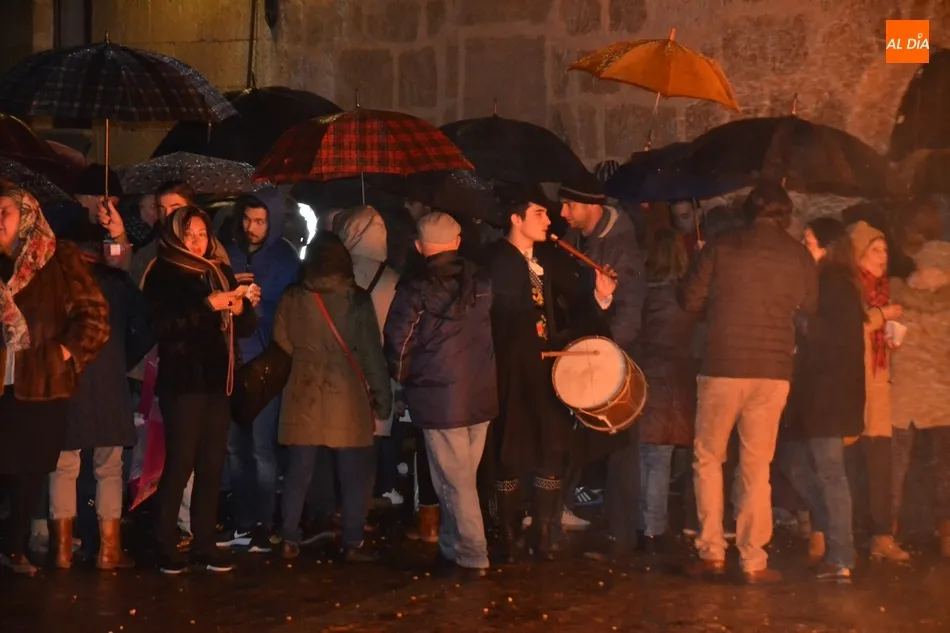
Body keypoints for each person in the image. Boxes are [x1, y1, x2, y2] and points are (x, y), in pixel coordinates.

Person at [678, 182, 817, 584]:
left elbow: (688, 300)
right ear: (785, 215)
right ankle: (754, 559)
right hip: (773, 371)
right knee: (757, 466)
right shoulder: (799, 255)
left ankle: (712, 551)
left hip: (723, 365)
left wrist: (703, 272)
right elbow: (809, 307)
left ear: (748, 210)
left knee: (709, 458)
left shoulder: (721, 246)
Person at [480, 184, 616, 561]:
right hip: (508, 374)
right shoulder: (492, 262)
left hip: (549, 371)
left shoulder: (552, 259)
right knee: (509, 451)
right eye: (539, 213)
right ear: (516, 218)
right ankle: (506, 533)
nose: (548, 221)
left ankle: (542, 530)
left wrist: (600, 296)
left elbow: (575, 310)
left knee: (552, 449)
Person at [0, 183, 110, 575]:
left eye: (5, 212)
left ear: (27, 215)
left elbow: (94, 317)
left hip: (42, 382)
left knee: (28, 470)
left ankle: (13, 548)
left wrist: (63, 353)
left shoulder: (57, 256)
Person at [143, 206, 258, 575]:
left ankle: (204, 543)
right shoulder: (164, 272)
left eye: (202, 234)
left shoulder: (218, 270)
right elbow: (163, 326)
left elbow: (245, 327)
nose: (196, 241)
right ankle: (165, 542)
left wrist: (241, 306)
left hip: (217, 380)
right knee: (181, 462)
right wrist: (207, 305)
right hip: (183, 382)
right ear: (176, 236)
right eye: (189, 234)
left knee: (212, 462)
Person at [383, 212, 497, 578]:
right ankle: (451, 548)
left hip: (439, 398)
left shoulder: (415, 287)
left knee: (455, 482)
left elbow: (398, 342)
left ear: (419, 246)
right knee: (460, 480)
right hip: (481, 393)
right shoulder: (481, 281)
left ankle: (473, 555)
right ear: (458, 242)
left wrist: (402, 380)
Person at [274, 231, 392, 563]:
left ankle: (288, 538)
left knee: (298, 473)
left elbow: (281, 342)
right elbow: (370, 354)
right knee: (353, 475)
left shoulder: (292, 297)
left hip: (303, 393)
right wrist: (382, 400)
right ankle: (352, 541)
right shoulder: (357, 300)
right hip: (347, 397)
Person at [48, 245, 153, 571]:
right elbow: (147, 326)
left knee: (63, 466)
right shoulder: (117, 283)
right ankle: (109, 551)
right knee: (109, 468)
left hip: (67, 380)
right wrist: (123, 358)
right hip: (109, 383)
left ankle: (62, 551)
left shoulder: (55, 281)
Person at [559, 180, 647, 553]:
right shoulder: (577, 238)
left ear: (590, 205)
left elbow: (629, 312)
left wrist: (604, 353)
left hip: (609, 360)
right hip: (587, 353)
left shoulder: (620, 248)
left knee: (620, 446)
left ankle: (621, 535)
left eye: (569, 205)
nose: (563, 213)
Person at [782, 217, 865, 581]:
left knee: (830, 473)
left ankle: (841, 553)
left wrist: (797, 316)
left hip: (828, 396)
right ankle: (838, 538)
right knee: (794, 460)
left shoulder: (836, 286)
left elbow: (832, 338)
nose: (804, 247)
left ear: (827, 248)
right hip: (818, 395)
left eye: (809, 241)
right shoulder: (828, 283)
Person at [217, 188, 300, 553]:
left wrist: (258, 302)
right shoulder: (228, 252)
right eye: (248, 219)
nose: (252, 227)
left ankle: (264, 525)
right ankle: (243, 521)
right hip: (231, 363)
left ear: (274, 222)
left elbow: (288, 313)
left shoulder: (285, 258)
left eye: (261, 221)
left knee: (260, 448)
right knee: (235, 448)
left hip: (264, 365)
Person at [847, 220, 910, 562]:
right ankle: (838, 535)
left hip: (878, 384)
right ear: (858, 253)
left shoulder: (884, 288)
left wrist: (892, 340)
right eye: (875, 249)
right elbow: (847, 329)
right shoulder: (847, 287)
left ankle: (881, 537)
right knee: (848, 461)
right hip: (852, 384)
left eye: (885, 249)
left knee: (879, 462)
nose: (883, 256)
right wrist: (880, 315)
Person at [633, 228, 698, 552]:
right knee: (662, 457)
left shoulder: (644, 295)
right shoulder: (689, 299)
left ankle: (646, 525)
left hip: (648, 377)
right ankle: (654, 526)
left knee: (646, 455)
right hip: (678, 380)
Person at [889, 240, 950, 558]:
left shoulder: (896, 299)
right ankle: (945, 533)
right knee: (943, 470)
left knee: (896, 468)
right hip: (941, 399)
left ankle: (886, 531)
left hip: (903, 397)